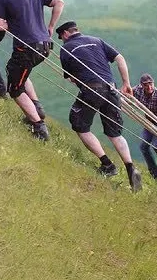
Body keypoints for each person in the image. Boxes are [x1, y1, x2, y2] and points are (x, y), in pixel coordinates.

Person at [56, 21, 142, 191]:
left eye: (61, 37)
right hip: (112, 88)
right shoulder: (96, 40)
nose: (62, 40)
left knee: (79, 124)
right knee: (114, 133)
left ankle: (107, 165)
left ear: (65, 33)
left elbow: (71, 78)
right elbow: (119, 58)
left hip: (92, 89)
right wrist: (126, 83)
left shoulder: (66, 48)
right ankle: (131, 168)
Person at [0, 0, 63, 141]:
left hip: (26, 48)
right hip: (45, 46)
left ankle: (38, 126)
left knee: (14, 89)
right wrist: (51, 27)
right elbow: (59, 2)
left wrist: (12, 23)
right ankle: (36, 107)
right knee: (16, 71)